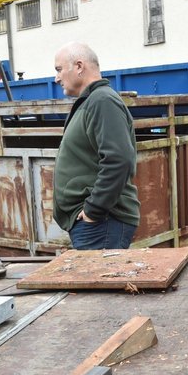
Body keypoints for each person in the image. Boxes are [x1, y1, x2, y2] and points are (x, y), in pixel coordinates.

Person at [51, 42, 140, 250]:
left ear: (79, 66)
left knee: (100, 282)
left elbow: (119, 160)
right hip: (97, 223)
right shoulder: (92, 100)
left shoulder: (102, 101)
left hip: (102, 223)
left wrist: (93, 210)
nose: (56, 78)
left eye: (59, 69)